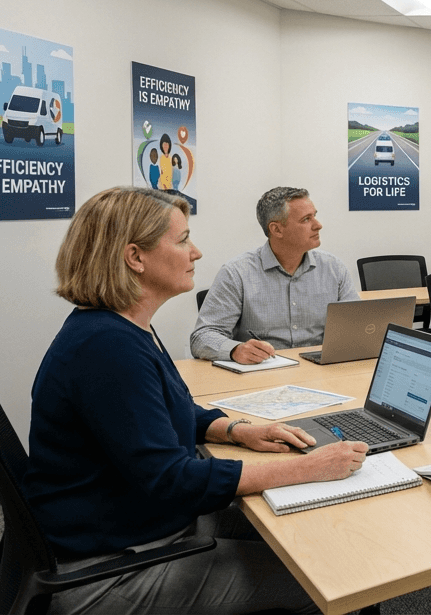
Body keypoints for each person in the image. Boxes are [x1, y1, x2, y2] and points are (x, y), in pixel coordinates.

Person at [24, 186, 366, 614]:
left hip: (137, 526)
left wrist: (238, 430)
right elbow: (171, 480)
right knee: (333, 581)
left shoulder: (120, 327)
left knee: (303, 528)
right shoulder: (108, 348)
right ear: (135, 257)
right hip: (113, 570)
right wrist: (305, 468)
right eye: (183, 239)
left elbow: (174, 409)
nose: (196, 252)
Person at [191, 186, 358, 363]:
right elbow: (202, 337)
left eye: (314, 215)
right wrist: (235, 350)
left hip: (322, 370)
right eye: (306, 219)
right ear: (277, 230)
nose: (318, 225)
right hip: (262, 372)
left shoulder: (334, 268)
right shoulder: (236, 273)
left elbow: (358, 326)